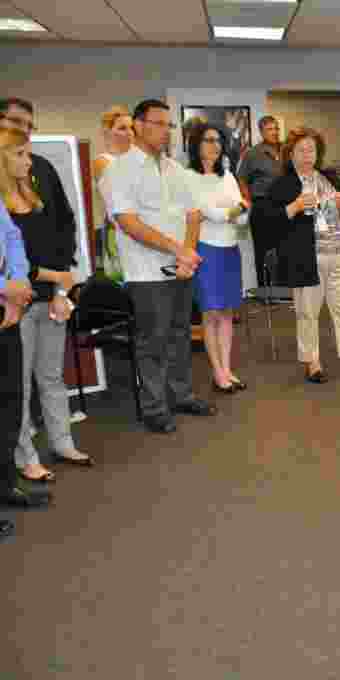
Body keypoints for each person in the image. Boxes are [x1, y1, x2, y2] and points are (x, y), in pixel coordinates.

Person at [107, 99, 216, 434]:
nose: (165, 131)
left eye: (168, 125)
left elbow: (193, 215)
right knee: (152, 340)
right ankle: (155, 408)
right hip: (145, 272)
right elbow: (127, 222)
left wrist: (188, 254)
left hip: (181, 269)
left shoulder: (175, 169)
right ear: (138, 125)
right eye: (158, 123)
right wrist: (177, 250)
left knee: (180, 335)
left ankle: (180, 395)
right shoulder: (119, 170)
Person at [1, 128, 94, 483]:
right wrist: (53, 277)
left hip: (50, 296)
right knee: (20, 384)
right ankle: (26, 456)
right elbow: (15, 262)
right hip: (18, 303)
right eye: (22, 154)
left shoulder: (36, 195)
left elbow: (58, 243)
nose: (30, 161)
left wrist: (60, 289)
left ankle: (62, 443)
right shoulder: (1, 206)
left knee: (52, 377)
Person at [256, 126, 340, 383]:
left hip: (338, 253)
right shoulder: (284, 183)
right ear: (290, 154)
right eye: (301, 150)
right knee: (307, 312)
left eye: (312, 149)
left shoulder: (328, 177)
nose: (307, 155)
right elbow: (265, 220)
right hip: (306, 258)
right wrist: (296, 205)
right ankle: (313, 362)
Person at [185, 123, 250, 393]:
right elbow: (210, 213)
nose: (214, 145)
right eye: (208, 140)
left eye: (218, 140)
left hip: (229, 247)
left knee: (226, 312)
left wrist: (234, 210)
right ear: (196, 144)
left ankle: (226, 368)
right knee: (210, 313)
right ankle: (217, 372)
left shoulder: (227, 176)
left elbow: (244, 214)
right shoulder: (189, 176)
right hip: (206, 249)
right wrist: (232, 210)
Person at [0, 200, 52, 513]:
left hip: (8, 304)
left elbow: (12, 236)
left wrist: (17, 286)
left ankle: (5, 486)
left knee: (8, 401)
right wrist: (6, 288)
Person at [237, 116, 284, 288]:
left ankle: (283, 289)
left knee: (283, 248)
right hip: (262, 205)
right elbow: (241, 179)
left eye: (277, 128)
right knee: (263, 250)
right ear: (262, 132)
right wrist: (248, 200)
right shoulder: (253, 154)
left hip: (284, 206)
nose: (275, 132)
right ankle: (265, 290)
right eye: (270, 129)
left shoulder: (286, 150)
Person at [93, 106, 135, 282]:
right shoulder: (103, 161)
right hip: (120, 232)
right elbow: (117, 201)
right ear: (107, 132)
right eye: (122, 128)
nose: (129, 133)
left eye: (131, 128)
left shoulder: (140, 159)